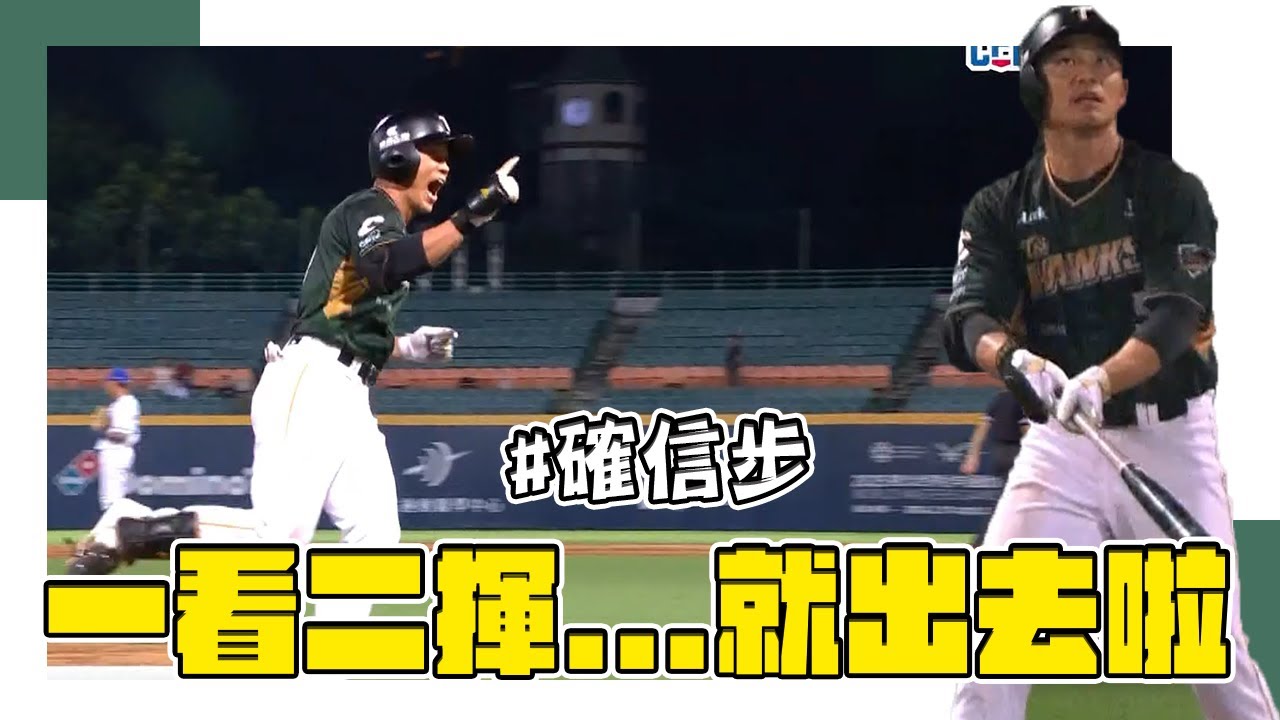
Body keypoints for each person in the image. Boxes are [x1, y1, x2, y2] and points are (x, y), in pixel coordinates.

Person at [941, 7, 1277, 719]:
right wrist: (1014, 359)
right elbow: (968, 318)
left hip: (1169, 437)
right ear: (1035, 86)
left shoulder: (1170, 191)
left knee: (1211, 645)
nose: (1087, 74)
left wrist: (1101, 377)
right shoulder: (999, 209)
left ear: (1124, 89)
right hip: (1061, 445)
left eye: (1103, 62)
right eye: (1065, 61)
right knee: (995, 637)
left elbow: (1179, 313)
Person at [65, 112, 516, 609]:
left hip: (346, 393)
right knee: (277, 542)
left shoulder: (385, 228)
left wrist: (409, 346)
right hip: (313, 381)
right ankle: (130, 527)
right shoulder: (368, 207)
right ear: (398, 155)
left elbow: (350, 324)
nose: (446, 167)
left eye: (448, 157)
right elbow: (386, 266)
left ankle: (338, 644)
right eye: (436, 153)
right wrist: (473, 213)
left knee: (376, 539)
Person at [958, 390, 1027, 544]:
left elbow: (982, 427)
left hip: (1000, 453)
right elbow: (1027, 431)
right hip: (1016, 454)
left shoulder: (1001, 398)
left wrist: (972, 455)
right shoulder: (1026, 399)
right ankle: (981, 543)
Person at [90, 367, 142, 511]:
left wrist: (103, 427)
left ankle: (115, 525)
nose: (106, 385)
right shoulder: (119, 404)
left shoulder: (125, 404)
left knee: (112, 500)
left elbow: (121, 435)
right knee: (113, 498)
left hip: (117, 452)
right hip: (116, 452)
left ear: (115, 383)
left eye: (108, 382)